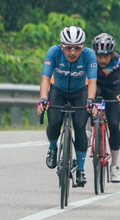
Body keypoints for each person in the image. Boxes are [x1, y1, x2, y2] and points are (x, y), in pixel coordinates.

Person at [37, 27, 98, 185]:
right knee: (54, 122)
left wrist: (90, 100)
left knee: (80, 126)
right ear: (61, 46)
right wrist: (43, 99)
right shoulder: (53, 52)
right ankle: (53, 147)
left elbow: (92, 81)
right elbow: (45, 79)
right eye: (68, 48)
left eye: (77, 48)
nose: (72, 52)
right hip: (58, 91)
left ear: (82, 47)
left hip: (80, 92)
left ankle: (80, 170)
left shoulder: (89, 55)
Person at [92, 33, 120, 183]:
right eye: (99, 56)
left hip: (113, 91)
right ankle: (89, 131)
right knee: (88, 102)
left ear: (112, 54)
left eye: (105, 56)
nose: (102, 60)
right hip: (96, 88)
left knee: (113, 124)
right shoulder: (90, 60)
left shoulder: (119, 62)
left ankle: (114, 166)